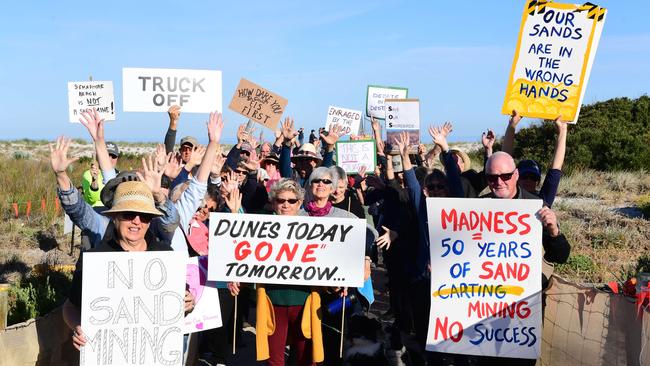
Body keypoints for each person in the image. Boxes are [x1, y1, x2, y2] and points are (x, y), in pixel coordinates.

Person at [60, 178, 195, 353]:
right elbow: (70, 307)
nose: (137, 221)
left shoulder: (165, 256)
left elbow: (179, 304)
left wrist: (188, 304)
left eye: (145, 216)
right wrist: (78, 326)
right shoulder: (96, 260)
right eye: (129, 214)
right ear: (115, 217)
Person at [475, 151, 571, 366]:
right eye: (491, 178)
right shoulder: (477, 208)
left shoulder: (535, 207)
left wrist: (554, 231)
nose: (498, 182)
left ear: (516, 174)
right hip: (484, 306)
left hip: (524, 305)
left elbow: (561, 256)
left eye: (505, 176)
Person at [502, 110, 567, 207]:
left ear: (538, 181)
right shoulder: (507, 194)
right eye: (524, 176)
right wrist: (512, 125)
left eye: (533, 177)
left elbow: (555, 170)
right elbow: (504, 160)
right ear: (516, 176)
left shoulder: (542, 199)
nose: (528, 180)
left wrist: (563, 131)